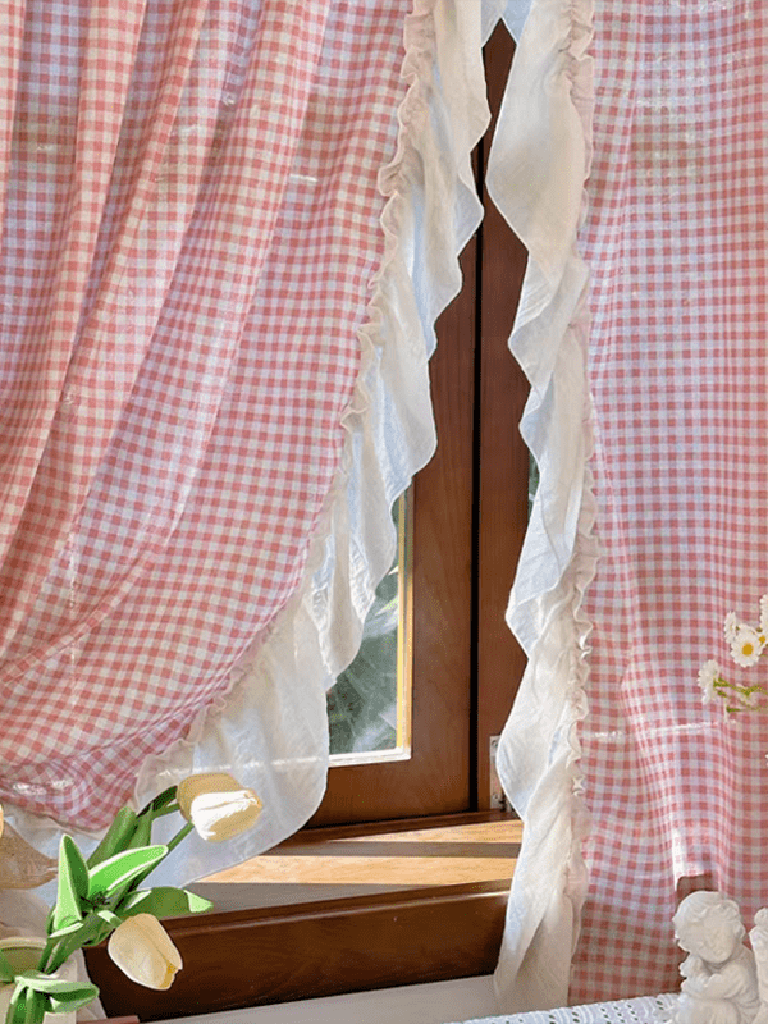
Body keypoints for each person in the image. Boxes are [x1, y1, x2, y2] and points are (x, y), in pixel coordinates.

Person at [671, 891, 760, 1024]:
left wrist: (697, 973)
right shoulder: (714, 959)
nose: (712, 946)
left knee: (703, 1006)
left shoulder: (738, 970)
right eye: (701, 945)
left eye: (715, 935)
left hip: (745, 1019)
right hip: (728, 1010)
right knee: (694, 1004)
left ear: (732, 924)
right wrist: (695, 961)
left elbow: (707, 990)